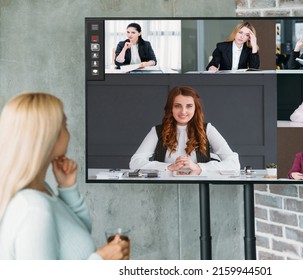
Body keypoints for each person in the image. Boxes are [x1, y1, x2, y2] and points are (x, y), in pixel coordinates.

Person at [0, 92, 129, 260]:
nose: (69, 134)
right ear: (49, 137)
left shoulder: (40, 191)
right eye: (65, 126)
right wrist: (100, 261)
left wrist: (68, 188)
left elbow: (79, 235)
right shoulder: (34, 208)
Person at [129, 86, 240, 174]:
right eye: (177, 106)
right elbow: (135, 162)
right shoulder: (157, 131)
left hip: (199, 189)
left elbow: (233, 163)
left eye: (189, 106)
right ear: (171, 108)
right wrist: (169, 167)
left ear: (196, 108)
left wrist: (197, 167)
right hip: (165, 188)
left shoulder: (208, 129)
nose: (183, 111)